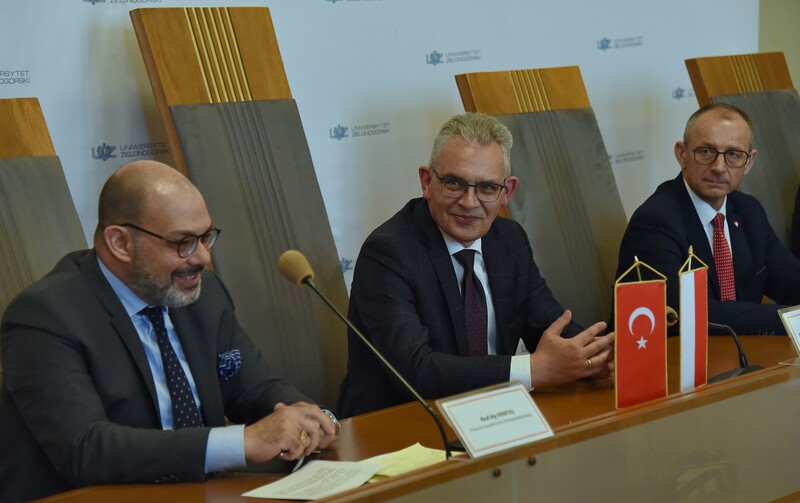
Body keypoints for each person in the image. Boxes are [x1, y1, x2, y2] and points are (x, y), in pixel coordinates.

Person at [0, 161, 339, 502]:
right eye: (183, 242)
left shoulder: (203, 293)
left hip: (199, 492)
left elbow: (252, 388)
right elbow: (86, 448)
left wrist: (309, 418)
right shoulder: (46, 315)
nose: (203, 257)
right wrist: (243, 442)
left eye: (205, 237)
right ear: (120, 242)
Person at [337, 112, 615, 418]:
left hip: (494, 415)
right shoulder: (388, 252)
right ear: (427, 182)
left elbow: (549, 327)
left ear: (507, 192)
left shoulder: (509, 241)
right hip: (398, 424)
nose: (469, 202)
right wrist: (533, 369)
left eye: (487, 188)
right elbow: (417, 370)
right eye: (454, 183)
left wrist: (596, 356)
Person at [616, 103, 800, 335]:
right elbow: (684, 314)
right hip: (673, 352)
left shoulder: (749, 211)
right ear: (682, 154)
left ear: (749, 162)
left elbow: (792, 281)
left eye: (733, 154)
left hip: (739, 350)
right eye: (706, 152)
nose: (719, 167)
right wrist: (789, 319)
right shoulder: (655, 221)